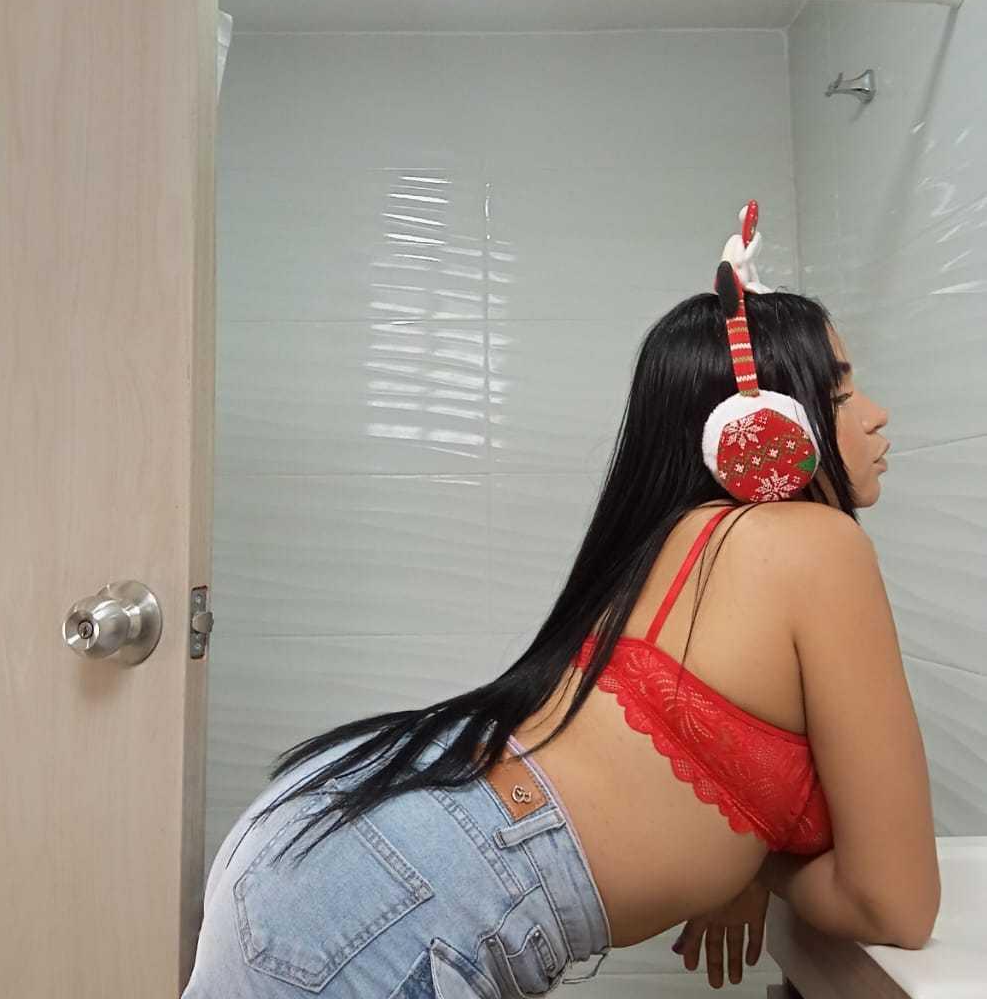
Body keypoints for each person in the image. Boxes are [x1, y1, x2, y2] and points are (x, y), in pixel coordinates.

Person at [183, 206, 939, 998]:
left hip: (353, 841)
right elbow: (893, 901)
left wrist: (747, 866)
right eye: (839, 393)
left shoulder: (681, 537)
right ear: (763, 426)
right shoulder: (812, 544)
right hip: (395, 895)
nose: (875, 413)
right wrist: (758, 864)